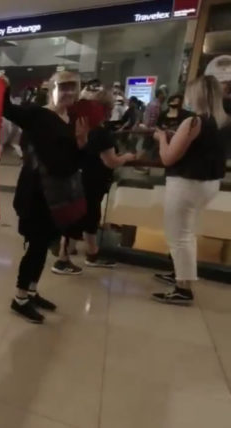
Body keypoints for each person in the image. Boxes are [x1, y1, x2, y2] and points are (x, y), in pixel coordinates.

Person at [2, 70, 88, 323]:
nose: (68, 93)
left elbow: (72, 162)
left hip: (58, 196)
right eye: (64, 87)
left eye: (73, 88)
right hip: (36, 194)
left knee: (45, 245)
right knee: (36, 247)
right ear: (52, 88)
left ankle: (31, 291)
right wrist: (3, 85)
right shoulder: (37, 114)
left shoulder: (72, 120)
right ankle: (20, 298)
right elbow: (6, 109)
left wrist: (81, 144)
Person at [151, 76, 228, 305]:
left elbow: (167, 157)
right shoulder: (221, 121)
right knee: (187, 232)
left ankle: (183, 288)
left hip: (186, 183)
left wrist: (161, 138)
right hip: (209, 184)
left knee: (178, 235)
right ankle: (180, 273)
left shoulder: (193, 122)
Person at [52, 91, 136, 274]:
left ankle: (91, 253)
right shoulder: (101, 133)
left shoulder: (79, 128)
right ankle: (63, 258)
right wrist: (127, 157)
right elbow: (110, 161)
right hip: (92, 181)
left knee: (88, 217)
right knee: (83, 217)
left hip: (80, 179)